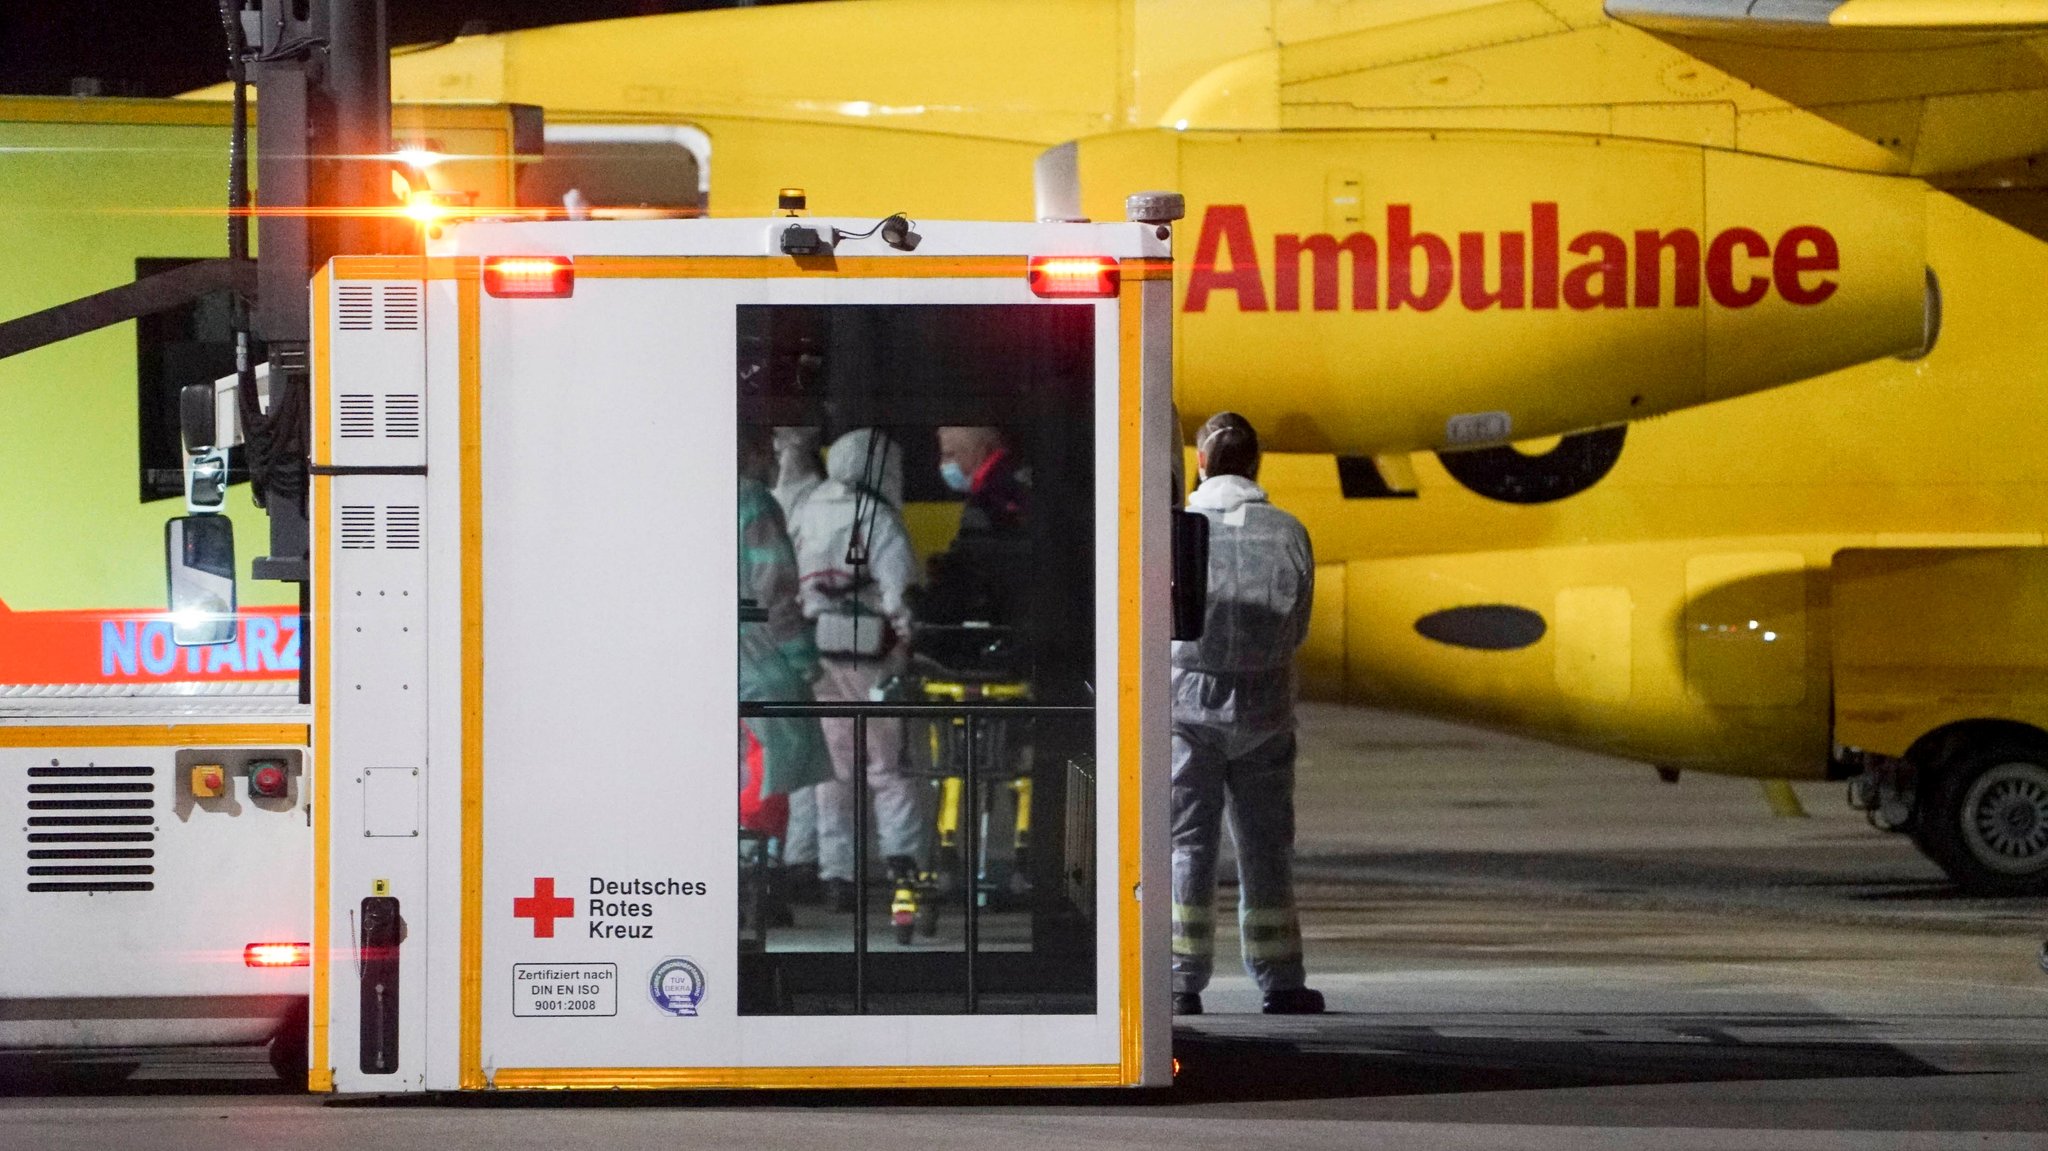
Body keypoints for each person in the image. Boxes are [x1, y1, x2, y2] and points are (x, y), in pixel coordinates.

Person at [1170, 412, 1324, 1016]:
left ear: (1201, 464)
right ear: (1258, 465)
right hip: (1264, 711)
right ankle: (1281, 980)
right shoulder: (1289, 531)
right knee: (1266, 848)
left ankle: (1181, 981)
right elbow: (1300, 624)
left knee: (1187, 845)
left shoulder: (1181, 529)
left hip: (1187, 710)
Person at [786, 427, 926, 911]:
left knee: (835, 770)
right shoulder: (880, 518)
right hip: (874, 658)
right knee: (889, 767)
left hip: (822, 655)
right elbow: (899, 591)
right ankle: (902, 865)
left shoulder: (808, 510)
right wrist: (905, 643)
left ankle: (836, 875)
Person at [736, 427, 833, 922]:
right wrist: (804, 663)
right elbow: (775, 592)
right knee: (764, 775)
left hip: (702, 662)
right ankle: (756, 887)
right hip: (757, 662)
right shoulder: (752, 502)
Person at [768, 427, 828, 902]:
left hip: (764, 653)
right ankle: (795, 863)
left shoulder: (766, 503)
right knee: (800, 764)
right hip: (789, 650)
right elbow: (783, 595)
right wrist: (804, 662)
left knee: (769, 766)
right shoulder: (801, 502)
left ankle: (771, 865)